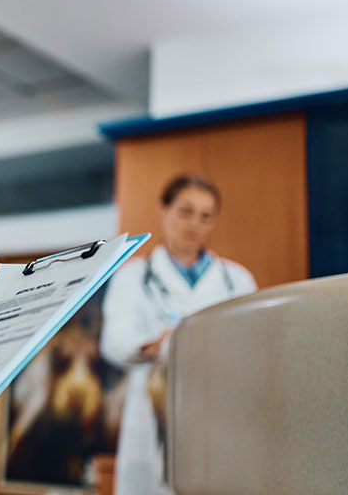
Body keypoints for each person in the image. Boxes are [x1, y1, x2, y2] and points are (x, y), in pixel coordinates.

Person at [100, 174, 257, 495]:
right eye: (185, 212)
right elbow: (113, 340)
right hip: (153, 409)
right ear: (164, 209)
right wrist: (150, 345)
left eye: (205, 216)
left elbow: (256, 344)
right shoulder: (132, 277)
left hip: (221, 411)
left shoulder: (237, 280)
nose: (194, 224)